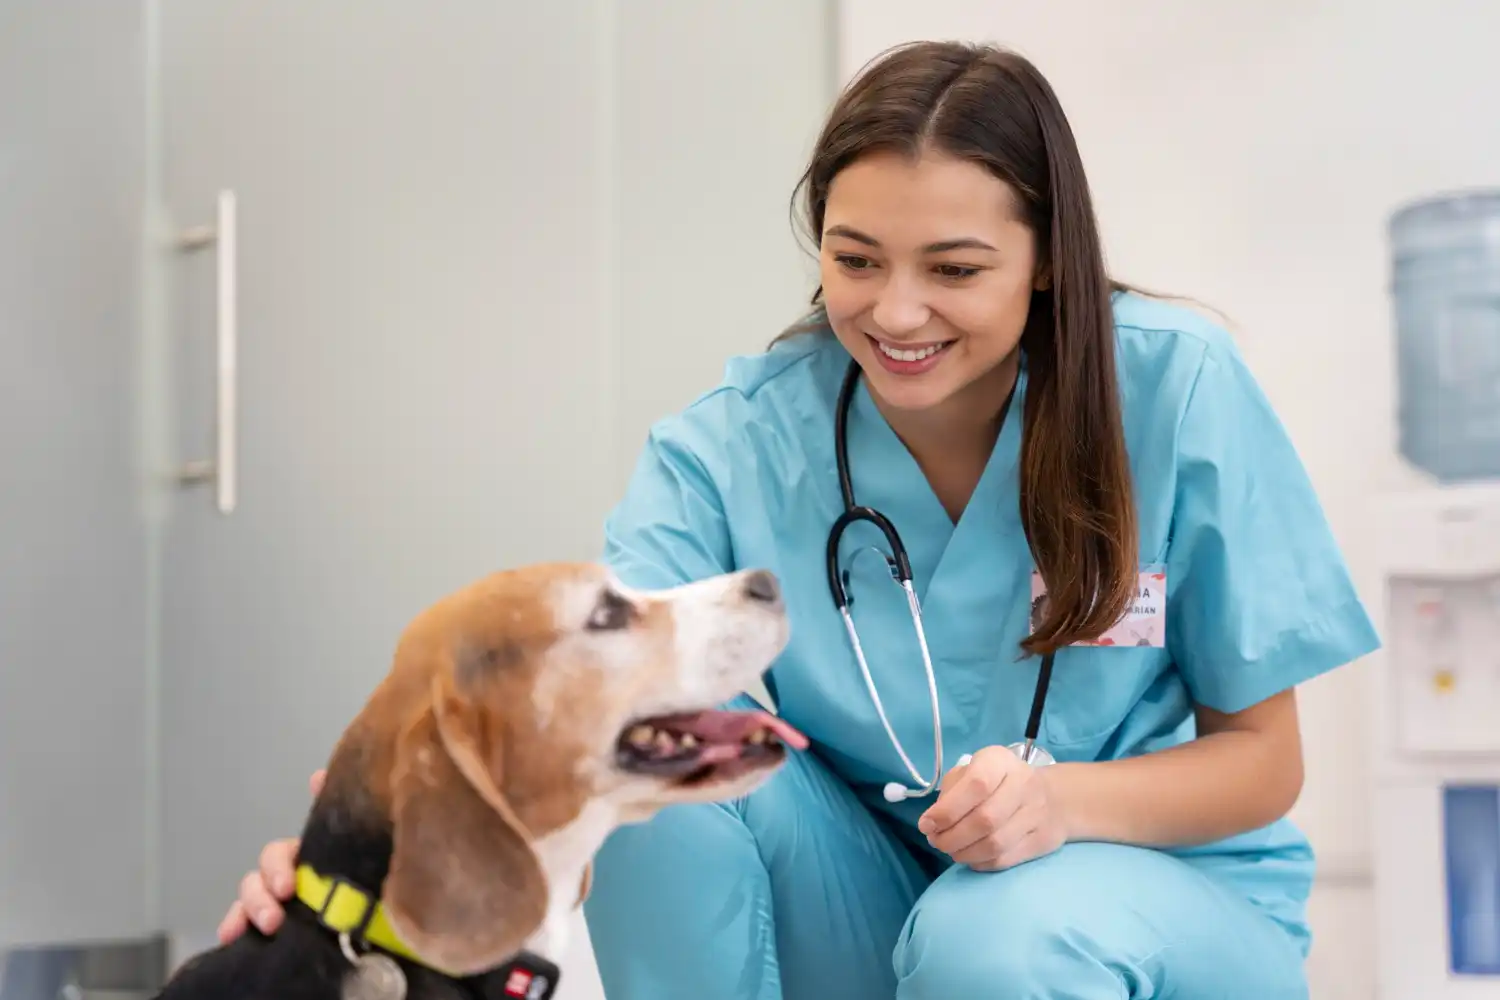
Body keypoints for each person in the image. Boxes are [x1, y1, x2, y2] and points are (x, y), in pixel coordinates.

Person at [216, 39, 1380, 1000]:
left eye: (955, 269)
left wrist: (1059, 803)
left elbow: (1262, 760)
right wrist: (355, 881)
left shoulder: (1174, 388)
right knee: (661, 786)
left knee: (995, 942)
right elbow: (573, 722)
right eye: (856, 259)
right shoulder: (734, 444)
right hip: (870, 896)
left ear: (1045, 261)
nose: (897, 312)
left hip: (1150, 893)